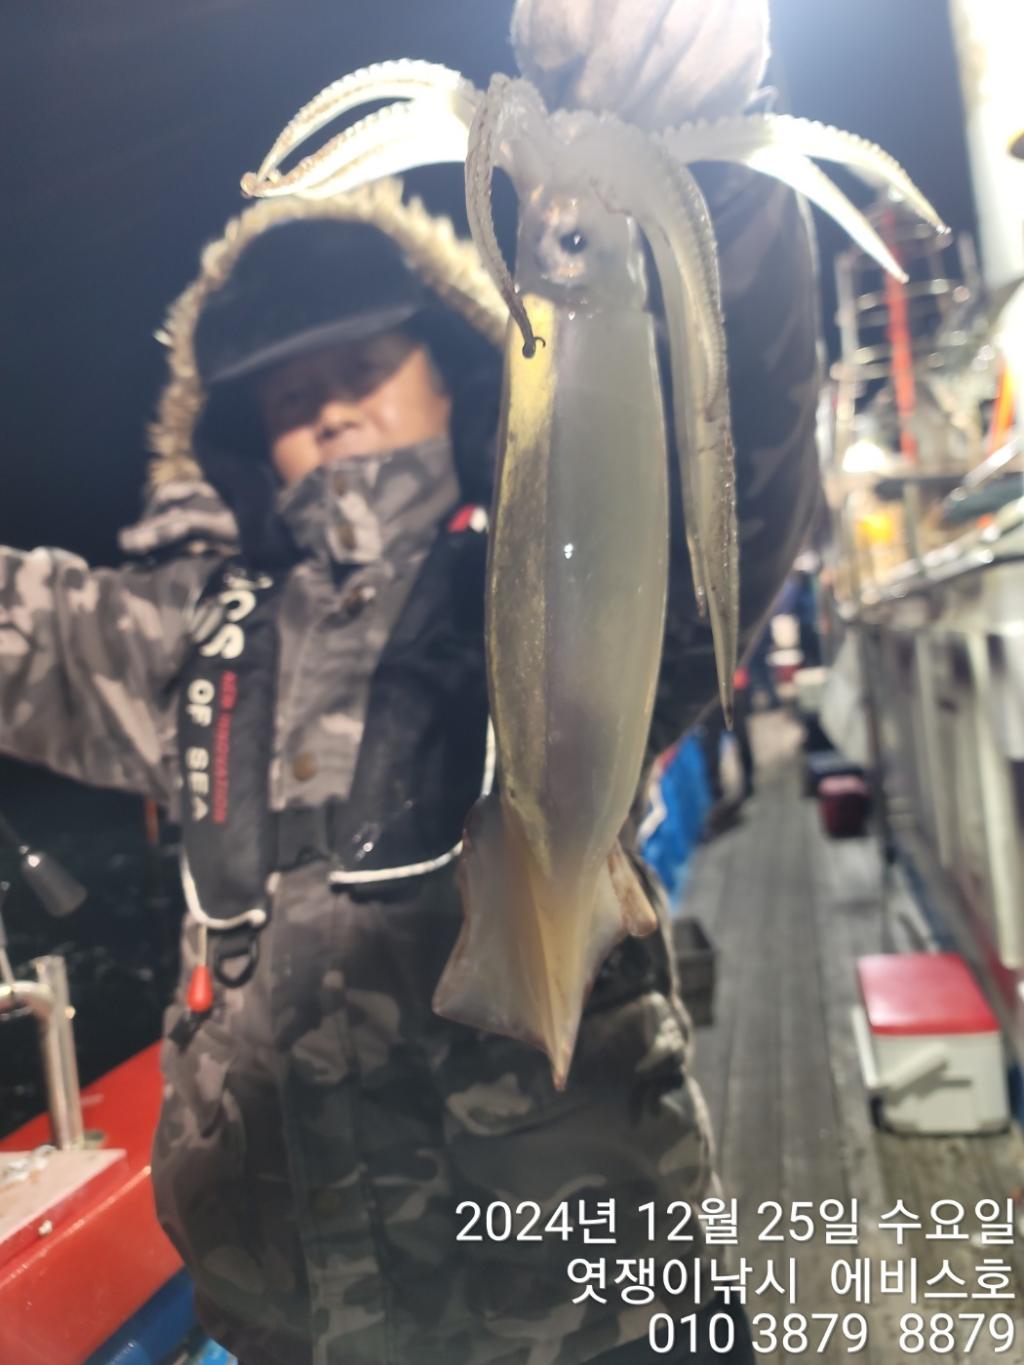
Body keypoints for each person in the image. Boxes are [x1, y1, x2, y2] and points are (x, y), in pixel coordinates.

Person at [0, 95, 820, 1365]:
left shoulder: (556, 567)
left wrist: (698, 159)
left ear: (452, 366)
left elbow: (739, 453)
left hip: (588, 1315)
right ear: (241, 441)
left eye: (360, 368)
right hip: (292, 1328)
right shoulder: (178, 637)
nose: (328, 410)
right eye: (289, 395)